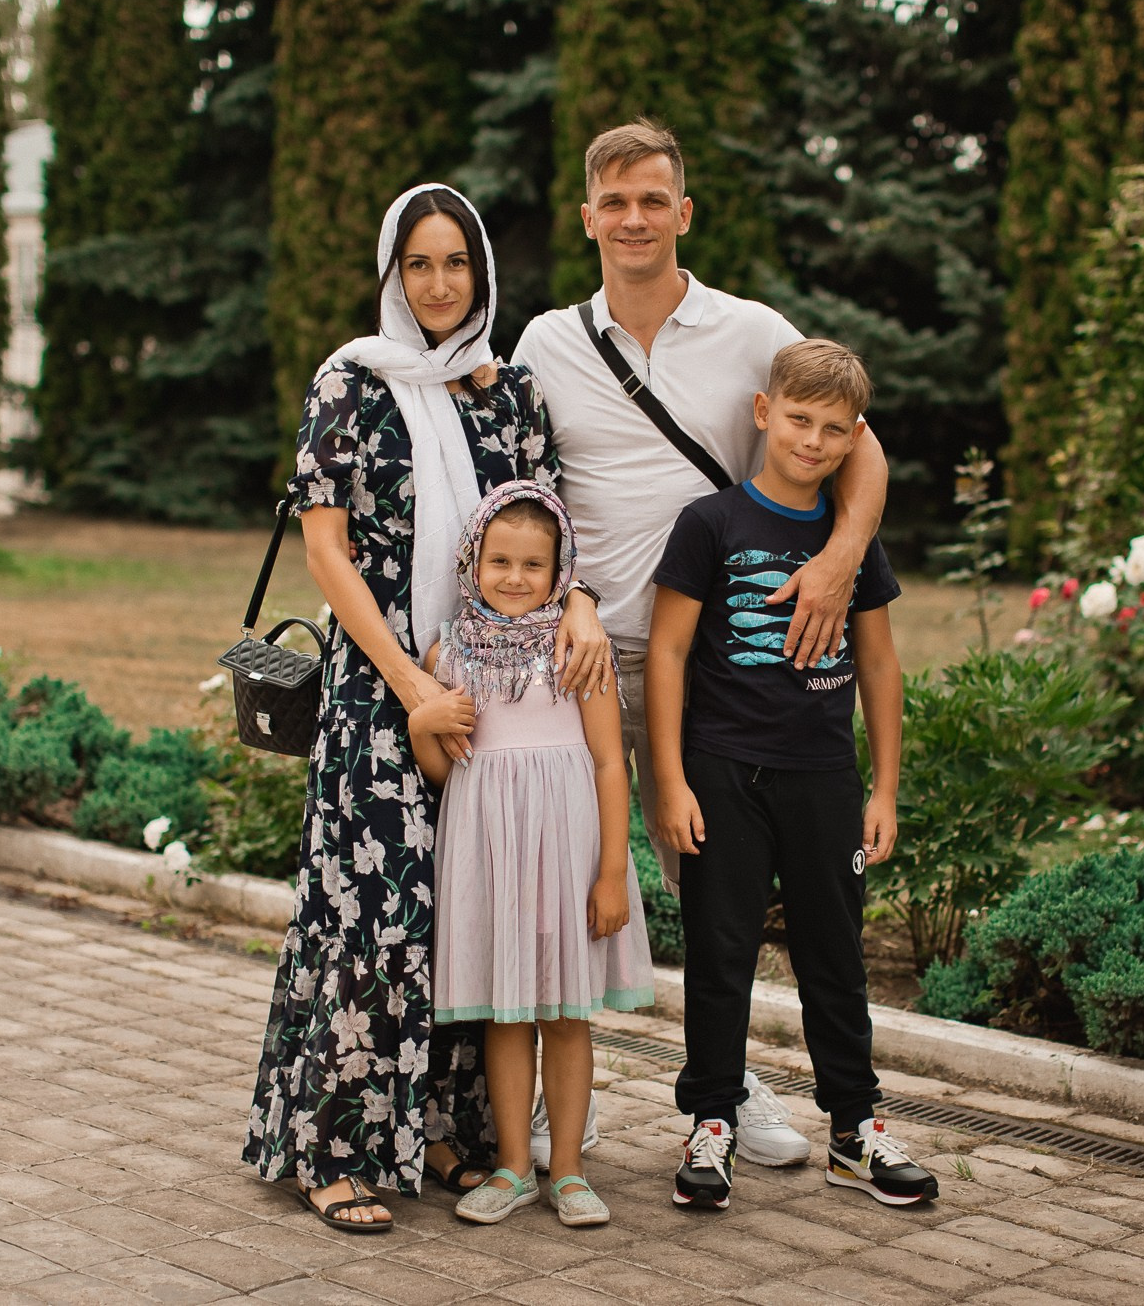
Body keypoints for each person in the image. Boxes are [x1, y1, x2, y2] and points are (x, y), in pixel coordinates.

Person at [514, 117, 890, 1167]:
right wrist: (571, 595)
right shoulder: (543, 343)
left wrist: (839, 557)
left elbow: (857, 444)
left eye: (653, 200)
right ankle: (554, 1094)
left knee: (713, 894)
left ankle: (729, 1091)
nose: (633, 218)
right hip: (574, 661)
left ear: (683, 212)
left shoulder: (748, 330)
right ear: (587, 216)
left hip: (713, 666)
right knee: (564, 875)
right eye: (614, 201)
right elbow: (524, 494)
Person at [242, 184, 611, 1233]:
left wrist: (579, 604)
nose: (439, 284)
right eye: (419, 265)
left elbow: (556, 535)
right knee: (369, 917)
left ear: (482, 276)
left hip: (496, 690)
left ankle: (444, 1131)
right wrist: (411, 686)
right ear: (392, 275)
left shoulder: (512, 396)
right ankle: (336, 1146)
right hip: (381, 691)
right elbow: (326, 547)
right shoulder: (350, 383)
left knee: (466, 914)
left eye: (457, 264)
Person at [646, 339, 937, 1211]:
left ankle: (856, 1129)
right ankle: (711, 1123)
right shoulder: (713, 524)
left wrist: (883, 787)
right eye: (798, 419)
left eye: (832, 429)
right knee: (720, 953)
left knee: (834, 956)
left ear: (855, 439)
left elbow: (880, 666)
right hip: (723, 769)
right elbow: (665, 652)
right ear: (766, 414)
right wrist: (670, 780)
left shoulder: (852, 545)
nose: (812, 440)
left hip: (823, 777)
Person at [409, 481, 654, 1228]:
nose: (515, 578)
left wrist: (613, 869)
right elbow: (449, 772)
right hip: (491, 853)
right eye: (500, 560)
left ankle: (570, 1170)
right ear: (472, 560)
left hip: (568, 852)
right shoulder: (448, 652)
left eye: (534, 565)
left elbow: (612, 764)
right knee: (507, 1014)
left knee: (567, 1014)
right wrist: (425, 725)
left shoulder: (578, 648)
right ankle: (514, 1165)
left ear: (561, 572)